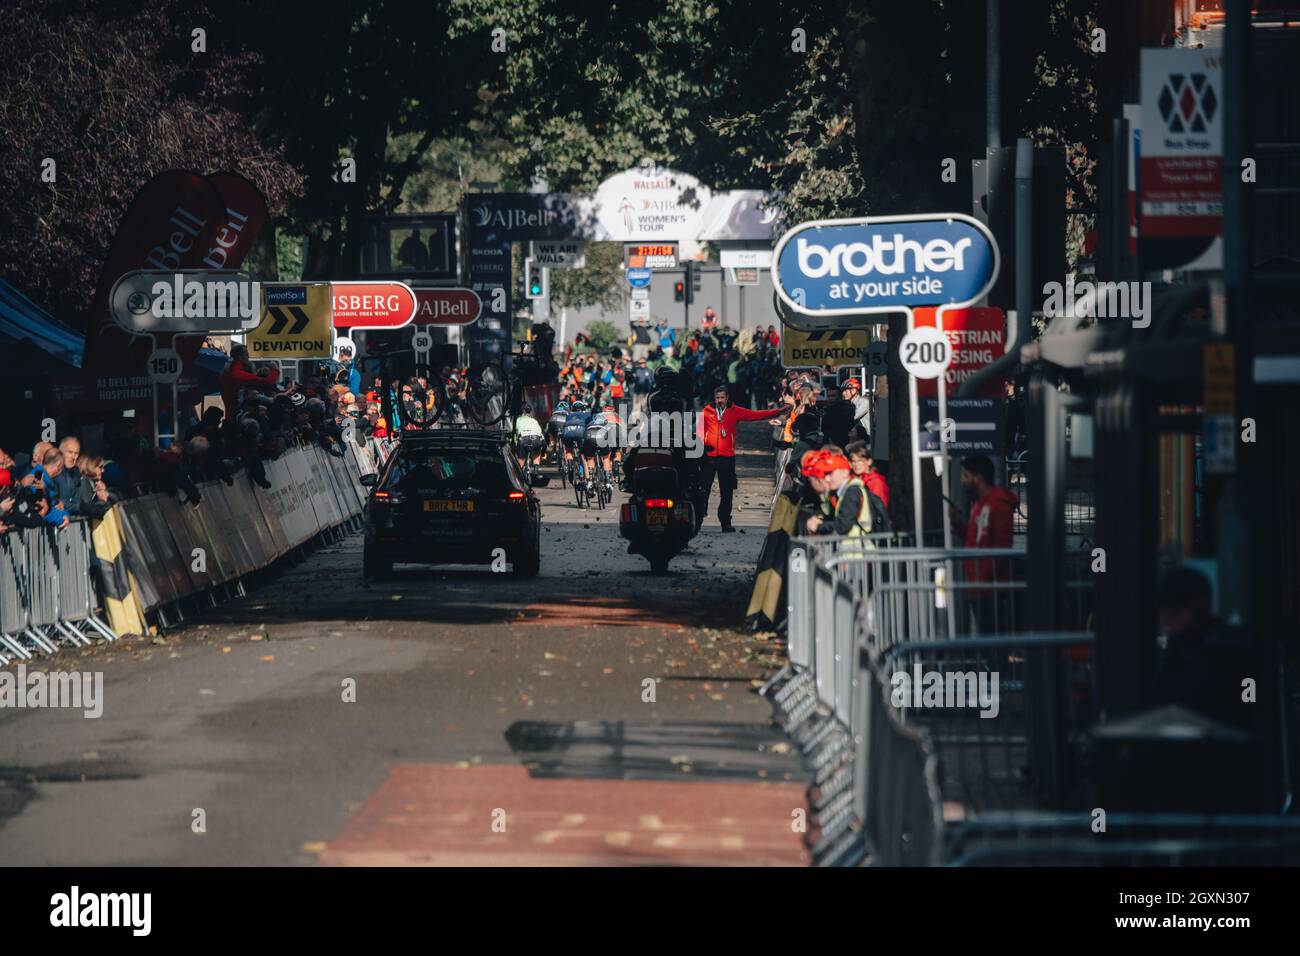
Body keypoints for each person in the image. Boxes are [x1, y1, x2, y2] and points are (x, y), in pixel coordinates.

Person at [1153, 566, 1254, 730]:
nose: (1169, 617)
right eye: (1165, 608)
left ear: (1202, 603)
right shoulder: (1174, 651)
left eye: (1179, 606)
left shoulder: (1230, 650)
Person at [695, 385, 785, 533]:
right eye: (717, 398)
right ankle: (698, 518)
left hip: (727, 457)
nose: (719, 401)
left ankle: (725, 522)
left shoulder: (735, 411)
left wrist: (777, 412)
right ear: (714, 399)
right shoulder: (706, 412)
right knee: (703, 489)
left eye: (722, 398)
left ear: (727, 398)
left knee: (727, 491)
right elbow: (699, 433)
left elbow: (755, 415)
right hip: (708, 457)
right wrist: (700, 449)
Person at [948, 454, 1019, 632]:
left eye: (966, 475)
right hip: (980, 585)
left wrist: (983, 576)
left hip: (990, 588)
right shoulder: (980, 504)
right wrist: (957, 523)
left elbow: (1002, 546)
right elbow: (975, 537)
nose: (962, 481)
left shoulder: (997, 505)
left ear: (978, 478)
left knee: (992, 636)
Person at [219, 345, 280, 414]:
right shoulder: (238, 374)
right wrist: (275, 370)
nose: (248, 357)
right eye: (246, 355)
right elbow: (267, 382)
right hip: (239, 418)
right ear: (240, 357)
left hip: (231, 416)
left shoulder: (226, 373)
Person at [513, 403, 546, 472]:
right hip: (536, 438)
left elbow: (515, 434)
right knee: (537, 453)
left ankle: (520, 472)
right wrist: (543, 453)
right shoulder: (534, 421)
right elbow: (542, 438)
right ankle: (536, 470)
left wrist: (515, 445)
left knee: (521, 459)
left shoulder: (518, 420)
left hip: (523, 439)